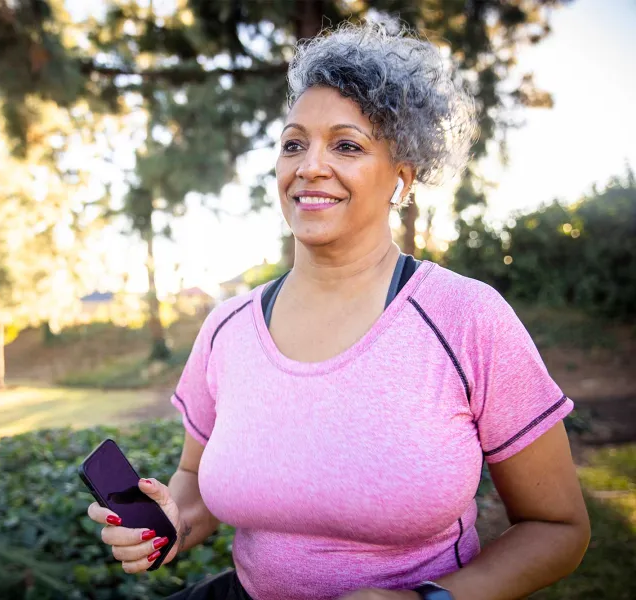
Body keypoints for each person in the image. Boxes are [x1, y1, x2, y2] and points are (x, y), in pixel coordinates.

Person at [87, 20, 590, 600]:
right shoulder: (226, 327)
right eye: (293, 143)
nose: (309, 166)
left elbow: (557, 528)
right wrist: (167, 527)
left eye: (347, 145)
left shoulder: (467, 319)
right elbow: (197, 486)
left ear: (400, 179)